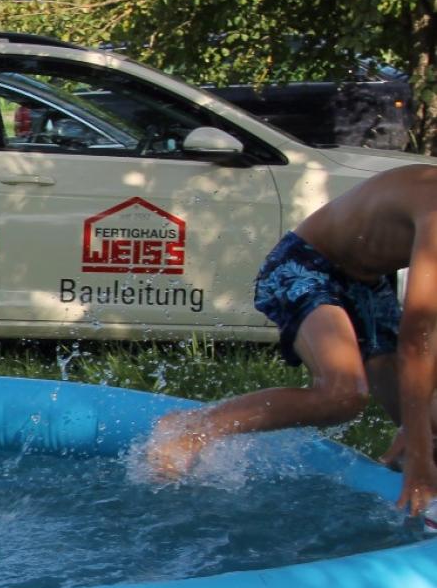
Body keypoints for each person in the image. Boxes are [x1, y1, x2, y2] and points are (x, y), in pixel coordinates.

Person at [147, 165, 437, 516]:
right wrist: (420, 453)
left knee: (428, 425)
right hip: (307, 265)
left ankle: (400, 487)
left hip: (367, 281)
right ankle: (193, 428)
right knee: (342, 395)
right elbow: (416, 339)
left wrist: (417, 432)